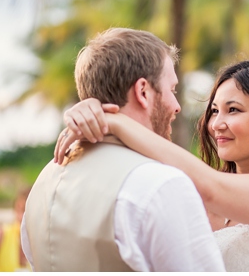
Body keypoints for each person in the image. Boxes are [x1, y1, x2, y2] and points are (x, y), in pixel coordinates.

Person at [57, 60, 249, 272]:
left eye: (233, 110)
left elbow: (213, 190)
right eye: (215, 111)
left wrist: (116, 122)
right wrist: (94, 109)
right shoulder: (196, 185)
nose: (216, 124)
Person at [21, 27, 225, 271]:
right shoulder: (160, 185)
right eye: (172, 90)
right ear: (142, 92)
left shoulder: (44, 180)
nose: (177, 105)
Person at [0, 188, 31, 272]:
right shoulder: (0, 234)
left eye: (25, 211)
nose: (21, 217)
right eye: (19, 210)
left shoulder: (38, 241)